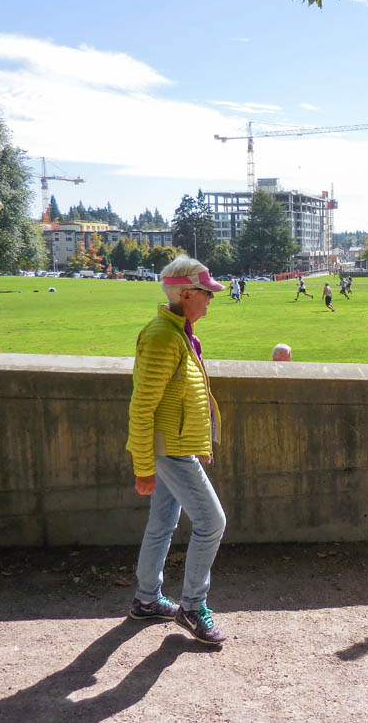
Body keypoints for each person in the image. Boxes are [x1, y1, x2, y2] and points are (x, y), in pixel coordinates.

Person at [126, 255, 228, 645]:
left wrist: (199, 443)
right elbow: (142, 406)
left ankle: (146, 599)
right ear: (186, 294)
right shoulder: (162, 336)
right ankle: (192, 605)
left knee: (162, 524)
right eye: (206, 293)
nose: (211, 299)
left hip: (175, 446)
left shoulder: (176, 332)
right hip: (168, 451)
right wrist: (143, 467)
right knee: (212, 522)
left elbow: (182, 399)